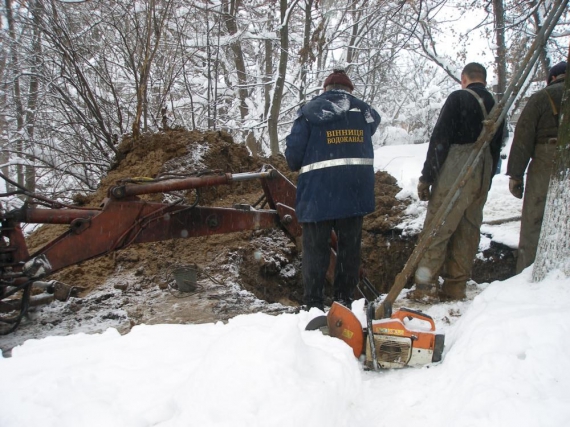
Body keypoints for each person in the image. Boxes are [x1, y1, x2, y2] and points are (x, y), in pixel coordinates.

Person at [284, 70, 381, 311]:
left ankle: (314, 305)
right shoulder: (364, 113)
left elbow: (293, 159)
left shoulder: (309, 113)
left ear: (325, 90)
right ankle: (344, 302)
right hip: (354, 194)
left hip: (318, 195)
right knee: (349, 250)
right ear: (350, 90)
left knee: (315, 251)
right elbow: (371, 129)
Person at [411, 62, 505, 302]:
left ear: (464, 79)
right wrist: (487, 179)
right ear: (483, 79)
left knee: (438, 227)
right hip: (483, 170)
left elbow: (440, 138)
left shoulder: (459, 98)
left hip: (457, 168)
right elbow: (496, 146)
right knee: (468, 229)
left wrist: (427, 176)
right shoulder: (496, 105)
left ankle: (425, 287)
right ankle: (455, 286)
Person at [507, 61, 566, 274]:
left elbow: (523, 137)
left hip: (546, 157)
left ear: (552, 78)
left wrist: (515, 174)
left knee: (534, 218)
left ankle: (526, 271)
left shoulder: (542, 97)